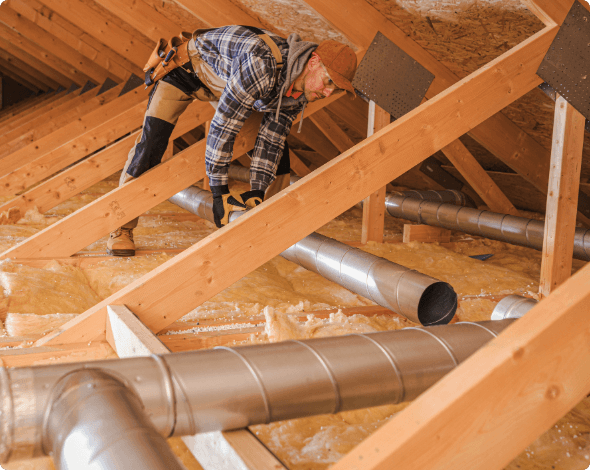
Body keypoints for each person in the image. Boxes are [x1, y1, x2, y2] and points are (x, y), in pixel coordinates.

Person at [107, 25, 357, 256]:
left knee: (279, 153)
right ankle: (121, 227)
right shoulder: (263, 63)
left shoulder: (300, 91)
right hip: (186, 71)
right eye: (328, 83)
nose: (327, 93)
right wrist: (219, 193)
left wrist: (256, 191)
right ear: (314, 62)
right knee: (151, 144)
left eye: (334, 90)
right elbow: (224, 126)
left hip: (226, 83)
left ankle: (266, 224)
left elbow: (270, 140)